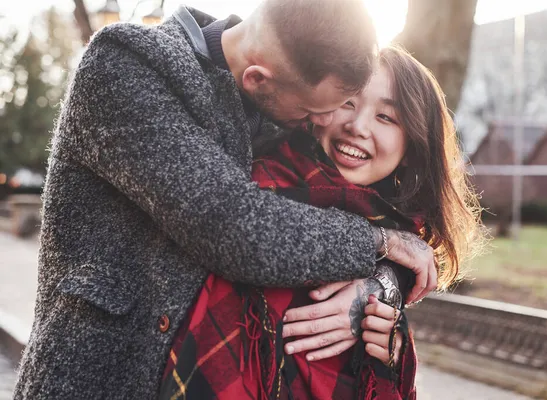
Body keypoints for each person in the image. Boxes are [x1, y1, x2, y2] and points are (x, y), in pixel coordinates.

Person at [13, 1, 437, 399]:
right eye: (312, 112)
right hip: (99, 373)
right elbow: (233, 224)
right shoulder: (125, 64)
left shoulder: (282, 94)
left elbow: (326, 211)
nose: (326, 123)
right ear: (258, 79)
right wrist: (380, 244)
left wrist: (382, 282)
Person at [159, 46, 485, 400]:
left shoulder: (399, 248)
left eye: (387, 117)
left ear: (412, 149)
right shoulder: (248, 180)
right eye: (347, 102)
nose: (357, 126)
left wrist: (386, 356)